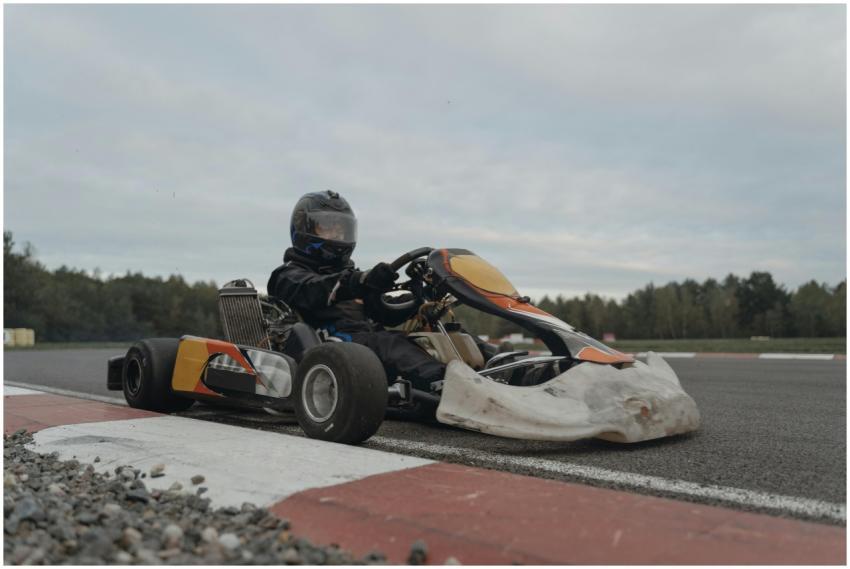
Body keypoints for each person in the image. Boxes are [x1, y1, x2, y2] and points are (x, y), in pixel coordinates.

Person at [267, 190, 446, 392]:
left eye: (341, 230)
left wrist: (417, 294)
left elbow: (383, 314)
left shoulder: (351, 277)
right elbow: (316, 289)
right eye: (328, 229)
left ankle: (483, 372)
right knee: (389, 343)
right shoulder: (287, 275)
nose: (337, 236)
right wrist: (359, 281)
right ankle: (443, 384)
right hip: (329, 347)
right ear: (304, 229)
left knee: (435, 338)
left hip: (365, 343)